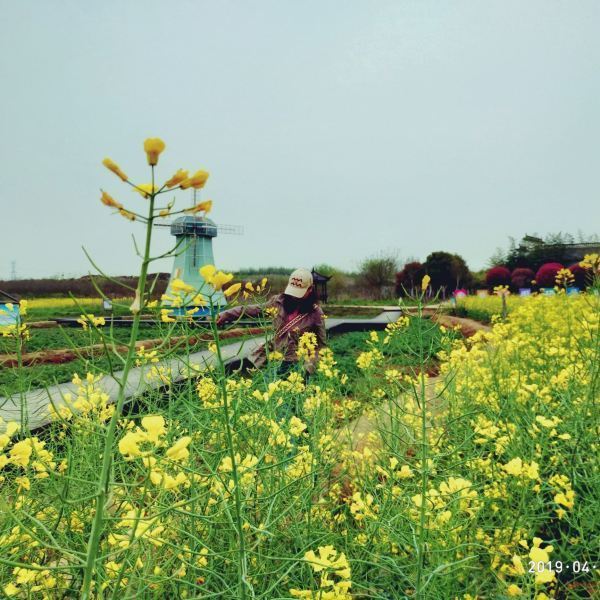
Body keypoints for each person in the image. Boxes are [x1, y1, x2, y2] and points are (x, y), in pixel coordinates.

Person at [216, 267, 327, 378]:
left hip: (298, 364)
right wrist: (227, 314)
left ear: (310, 289)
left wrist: (308, 368)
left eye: (299, 292)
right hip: (274, 359)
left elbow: (321, 346)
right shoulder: (278, 302)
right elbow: (253, 310)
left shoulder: (316, 313)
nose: (294, 296)